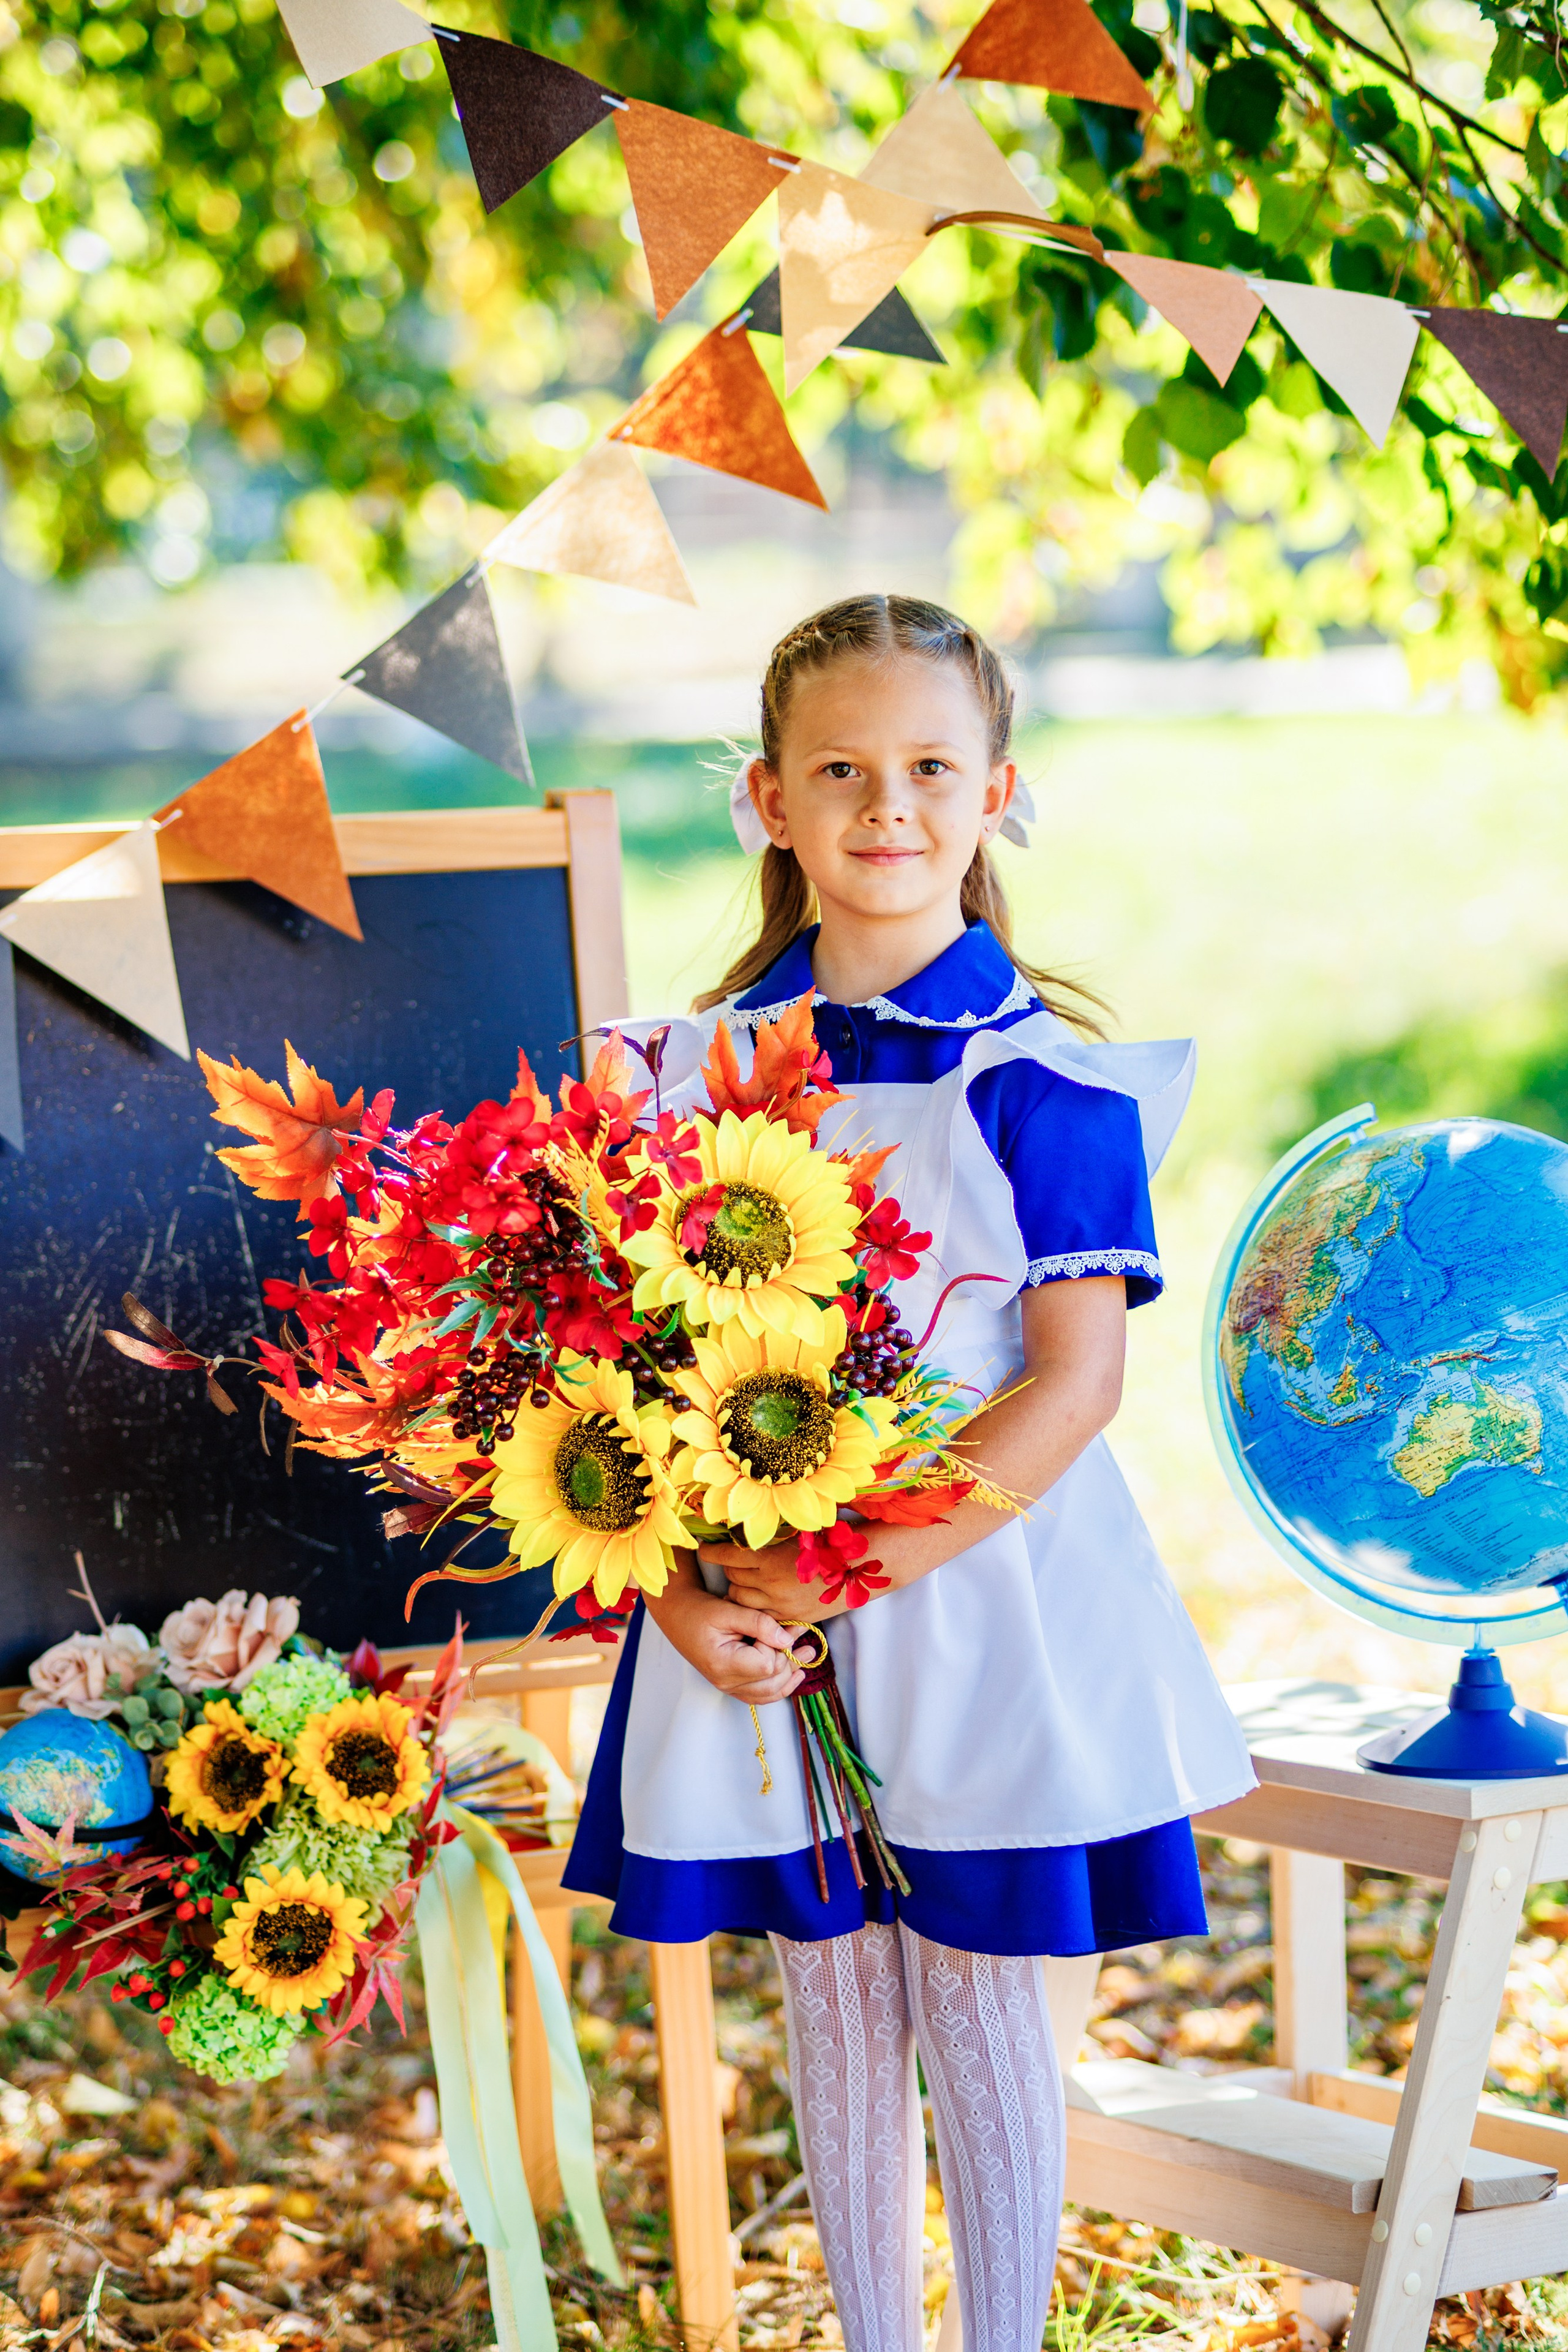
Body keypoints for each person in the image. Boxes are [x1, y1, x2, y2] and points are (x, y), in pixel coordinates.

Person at [565, 594, 1254, 2352]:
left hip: (973, 1592)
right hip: (749, 1624)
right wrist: (687, 1593)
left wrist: (845, 1565)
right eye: (842, 769)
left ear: (999, 789)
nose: (888, 804)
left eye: (931, 766)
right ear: (766, 801)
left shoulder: (1048, 1083)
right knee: (837, 2014)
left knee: (980, 2012)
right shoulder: (679, 1080)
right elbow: (610, 1393)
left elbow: (1073, 1384)